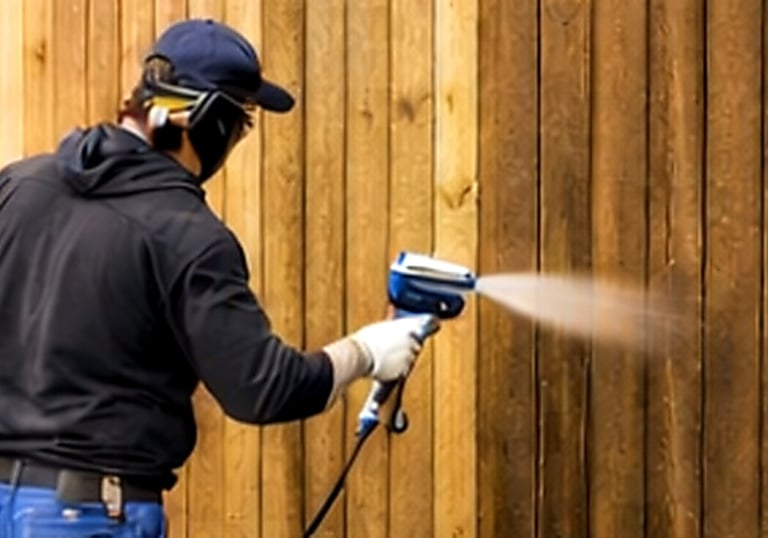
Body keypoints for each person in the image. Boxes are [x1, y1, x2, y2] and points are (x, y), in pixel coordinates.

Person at [0, 19, 434, 537]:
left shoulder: (19, 187)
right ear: (206, 118)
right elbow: (262, 389)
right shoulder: (187, 236)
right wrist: (365, 352)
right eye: (241, 121)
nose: (236, 139)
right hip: (89, 515)